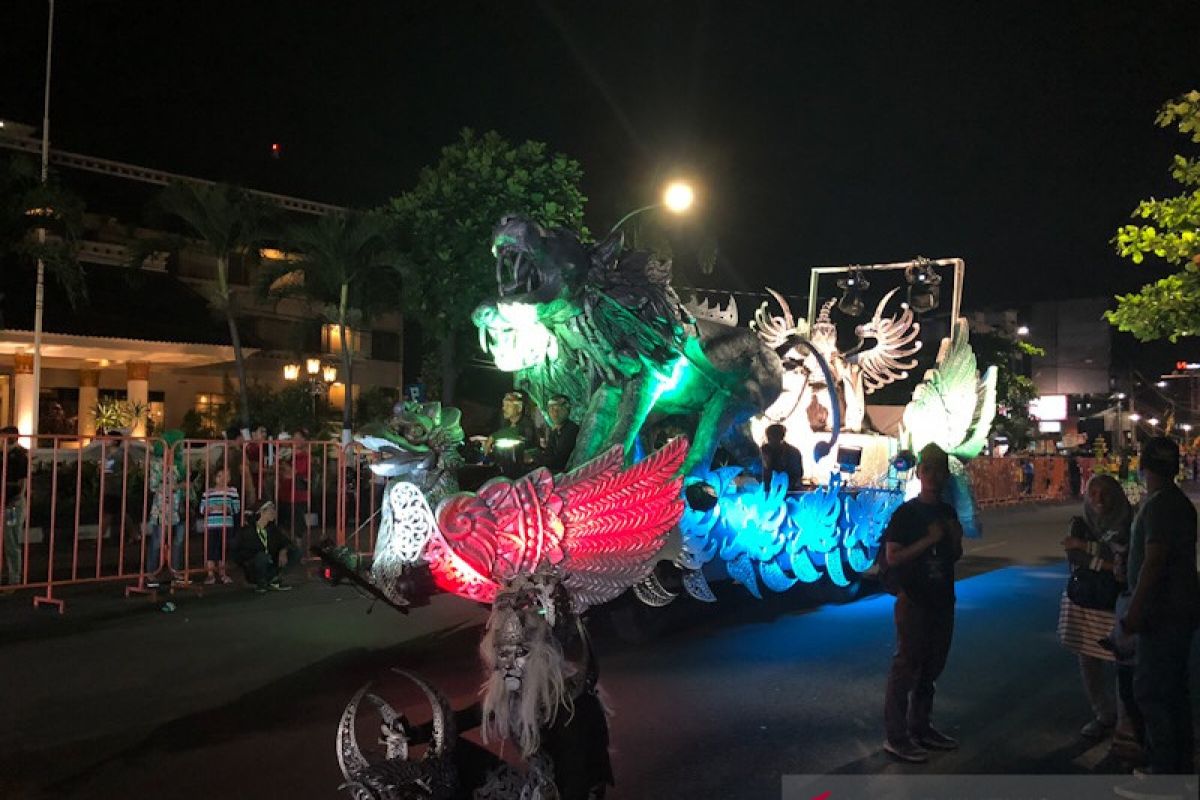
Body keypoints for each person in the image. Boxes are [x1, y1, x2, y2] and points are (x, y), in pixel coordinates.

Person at [1121, 436, 1199, 774]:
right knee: (1173, 690)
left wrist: (1134, 613)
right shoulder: (1177, 502)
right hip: (1178, 611)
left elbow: (1153, 562)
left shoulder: (1160, 505)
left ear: (1143, 465)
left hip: (1162, 614)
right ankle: (1179, 766)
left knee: (1152, 691)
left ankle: (1163, 771)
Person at [881, 443, 964, 763]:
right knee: (906, 667)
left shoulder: (947, 511)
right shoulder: (906, 513)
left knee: (931, 667)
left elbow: (954, 556)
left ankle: (922, 726)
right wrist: (928, 540)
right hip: (914, 598)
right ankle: (897, 736)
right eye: (927, 468)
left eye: (940, 469)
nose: (933, 474)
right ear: (918, 473)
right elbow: (893, 556)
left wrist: (953, 539)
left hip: (943, 597)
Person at [1056, 474, 1130, 740]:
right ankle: (1102, 713)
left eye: (1105, 493)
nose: (1098, 499)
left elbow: (1126, 553)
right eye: (1093, 492)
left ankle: (1126, 720)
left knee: (1122, 661)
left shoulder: (1127, 521)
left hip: (1115, 601)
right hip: (1085, 599)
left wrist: (1088, 549)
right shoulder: (1080, 523)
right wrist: (1109, 564)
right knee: (1088, 659)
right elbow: (1075, 556)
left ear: (1117, 495)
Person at [233, 500, 302, 593]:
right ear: (262, 512)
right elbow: (238, 552)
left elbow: (286, 542)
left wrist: (283, 550)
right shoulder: (247, 531)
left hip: (271, 564)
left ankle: (274, 578)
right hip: (255, 568)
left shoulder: (273, 530)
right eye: (271, 510)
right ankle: (261, 582)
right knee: (262, 557)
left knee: (296, 552)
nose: (274, 512)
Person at [199, 465, 240, 585]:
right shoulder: (208, 492)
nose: (222, 479)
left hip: (226, 525)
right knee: (210, 549)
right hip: (211, 525)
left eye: (226, 476)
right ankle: (210, 574)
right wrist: (208, 509)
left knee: (223, 549)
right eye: (219, 476)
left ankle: (223, 573)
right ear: (214, 477)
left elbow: (236, 508)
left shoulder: (232, 491)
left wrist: (227, 508)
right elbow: (201, 509)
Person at [485, 390, 539, 477]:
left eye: (508, 405)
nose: (504, 408)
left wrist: (493, 437)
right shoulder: (505, 422)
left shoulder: (527, 423)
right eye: (503, 405)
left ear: (519, 408)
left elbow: (518, 432)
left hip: (525, 468)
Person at [1, 426, 29, 586]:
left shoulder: (19, 456)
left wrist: (16, 498)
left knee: (11, 539)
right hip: (7, 503)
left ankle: (14, 578)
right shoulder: (4, 454)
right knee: (7, 540)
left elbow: (21, 483)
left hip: (12, 504)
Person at [278, 428, 312, 542]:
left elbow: (295, 472)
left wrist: (284, 464)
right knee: (284, 525)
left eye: (299, 438)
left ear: (304, 440)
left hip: (298, 495)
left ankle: (298, 553)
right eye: (294, 438)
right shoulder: (287, 454)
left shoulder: (305, 456)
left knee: (298, 526)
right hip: (284, 493)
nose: (296, 440)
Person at [760, 423, 804, 491]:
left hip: (788, 491)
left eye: (773, 437)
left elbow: (797, 476)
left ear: (782, 437)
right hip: (765, 491)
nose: (770, 441)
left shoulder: (793, 453)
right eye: (769, 438)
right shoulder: (763, 451)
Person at [542, 394, 579, 473]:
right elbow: (548, 452)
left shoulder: (571, 430)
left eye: (557, 408)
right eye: (550, 409)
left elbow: (561, 459)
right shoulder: (555, 431)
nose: (553, 412)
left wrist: (536, 457)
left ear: (567, 410)